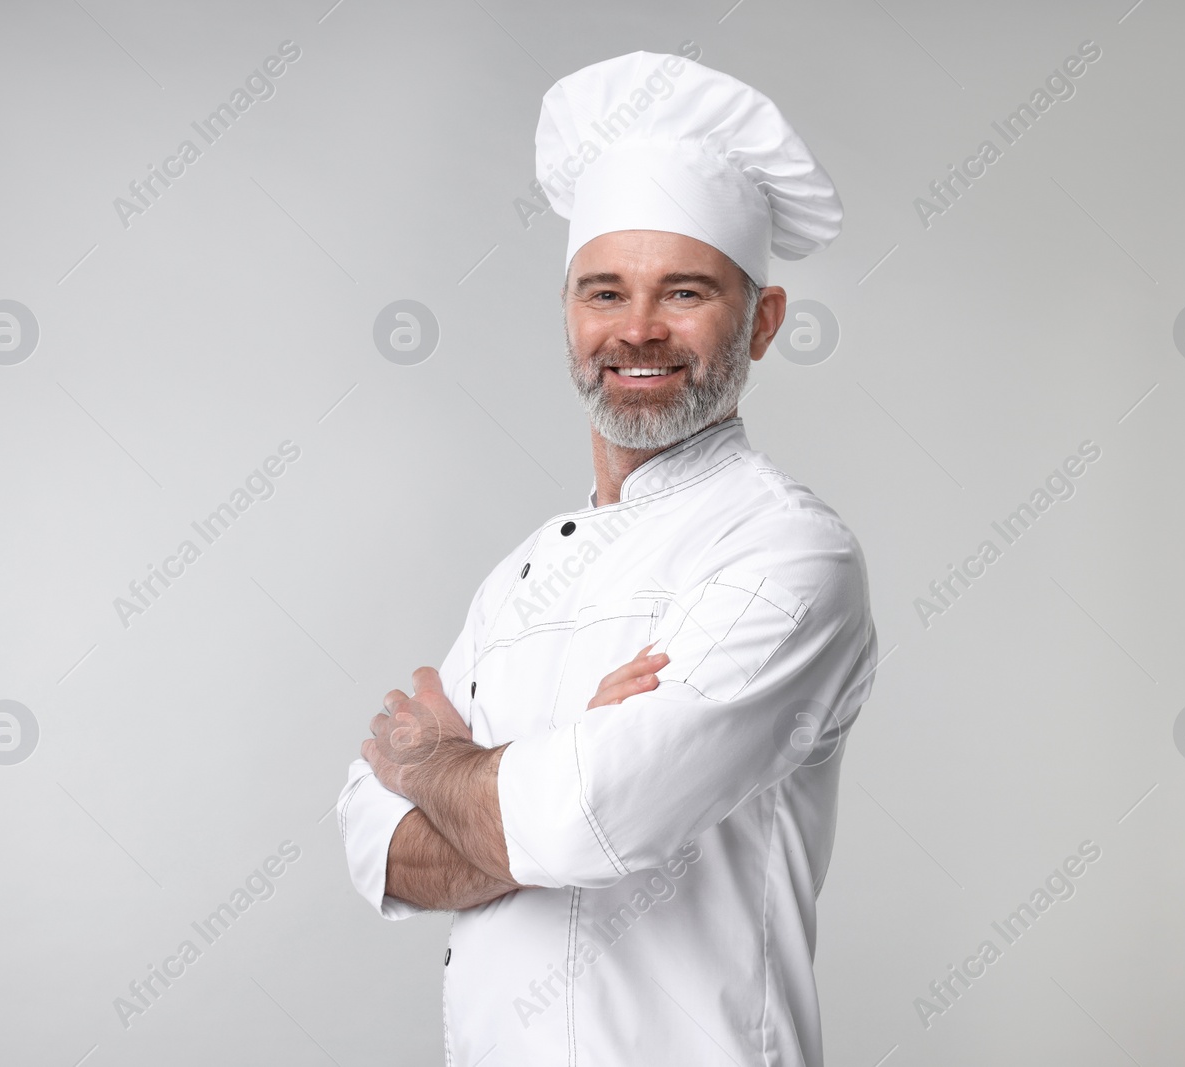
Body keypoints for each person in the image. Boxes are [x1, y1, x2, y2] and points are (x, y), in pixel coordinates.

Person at [339, 49, 877, 1066]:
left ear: (761, 321)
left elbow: (587, 820)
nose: (636, 329)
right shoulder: (520, 574)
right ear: (568, 315)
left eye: (684, 292)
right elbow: (375, 843)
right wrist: (537, 782)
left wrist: (438, 763)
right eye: (603, 291)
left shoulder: (789, 553)